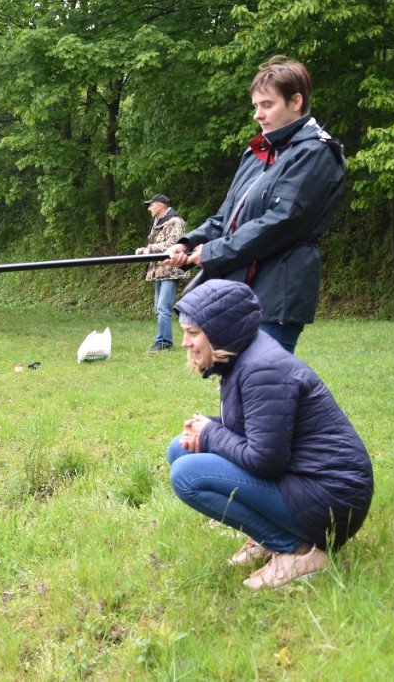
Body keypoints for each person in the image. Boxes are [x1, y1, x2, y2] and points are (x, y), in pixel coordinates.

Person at [166, 279, 373, 590]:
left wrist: (210, 433)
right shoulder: (242, 357)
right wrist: (206, 429)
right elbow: (256, 431)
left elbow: (265, 459)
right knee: (180, 450)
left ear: (221, 330)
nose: (184, 343)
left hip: (330, 499)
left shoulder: (263, 370)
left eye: (193, 334)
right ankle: (268, 536)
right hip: (302, 481)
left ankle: (296, 550)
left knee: (187, 474)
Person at [164, 56, 345, 354]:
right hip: (237, 290)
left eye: (267, 105)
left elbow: (282, 222)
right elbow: (226, 218)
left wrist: (212, 253)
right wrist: (189, 242)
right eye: (255, 106)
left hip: (277, 295)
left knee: (264, 385)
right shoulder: (257, 153)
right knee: (232, 385)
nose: (258, 115)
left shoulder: (315, 153)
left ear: (296, 101)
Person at [134, 194, 188, 353]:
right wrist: (144, 250)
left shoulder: (175, 222)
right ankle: (164, 340)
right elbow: (156, 244)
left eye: (151, 205)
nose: (149, 208)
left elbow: (174, 243)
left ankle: (163, 342)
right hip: (158, 270)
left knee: (163, 307)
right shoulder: (158, 223)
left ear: (160, 205)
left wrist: (149, 249)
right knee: (159, 308)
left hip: (170, 270)